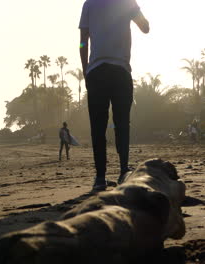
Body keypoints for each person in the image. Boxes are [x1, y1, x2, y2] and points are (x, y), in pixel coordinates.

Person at [79, 0, 149, 191]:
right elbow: (145, 28)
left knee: (98, 126)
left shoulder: (89, 4)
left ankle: (100, 177)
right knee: (122, 123)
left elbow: (83, 40)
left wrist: (86, 71)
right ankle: (123, 170)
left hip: (96, 71)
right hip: (120, 70)